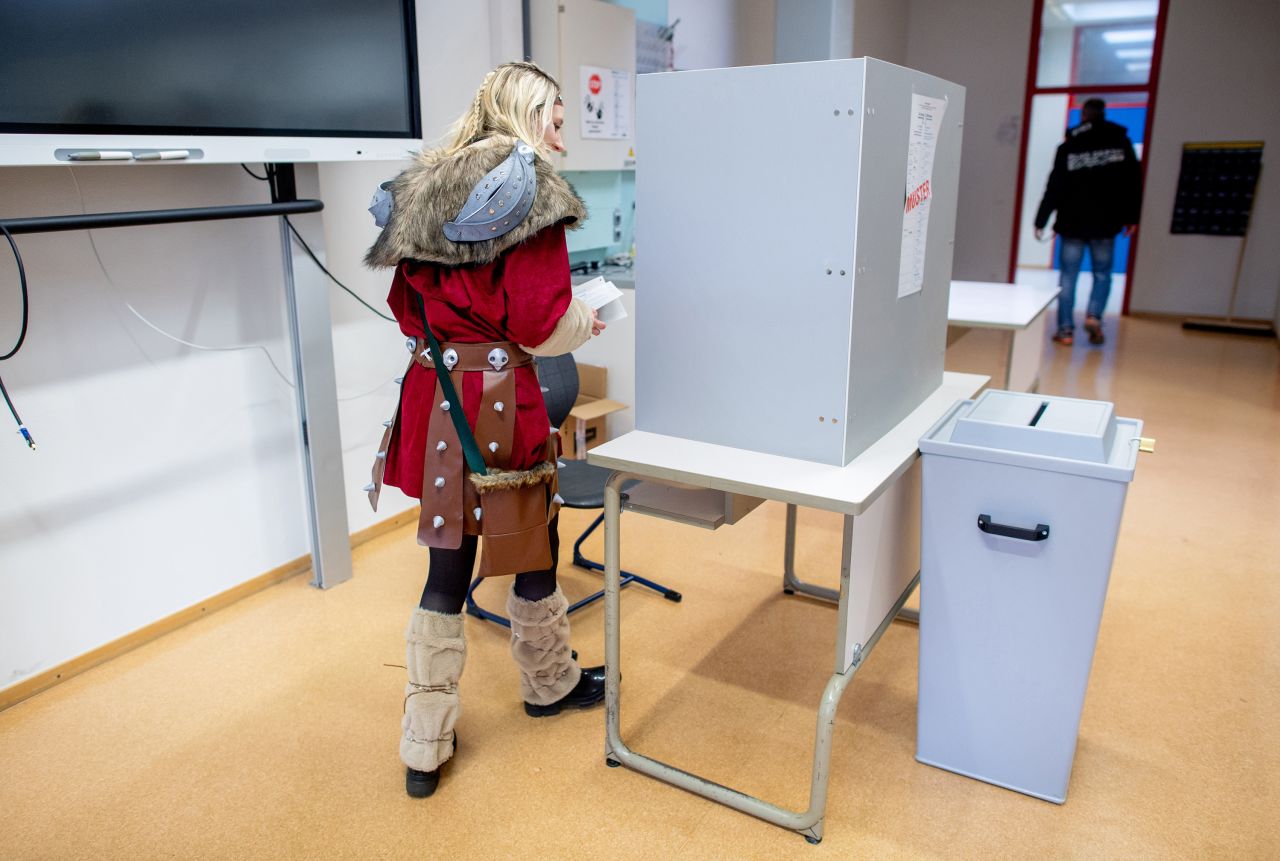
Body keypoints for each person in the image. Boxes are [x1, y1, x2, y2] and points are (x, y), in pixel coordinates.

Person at [363, 62, 607, 799]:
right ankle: (548, 684)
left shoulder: (424, 187)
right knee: (533, 543)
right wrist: (585, 323)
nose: (562, 135)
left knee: (448, 567)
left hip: (436, 398)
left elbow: (406, 306)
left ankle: (424, 744)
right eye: (558, 118)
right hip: (501, 399)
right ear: (529, 114)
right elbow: (540, 320)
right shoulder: (529, 190)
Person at [1033, 98, 1141, 346]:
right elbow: (1133, 184)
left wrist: (1041, 219)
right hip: (1106, 223)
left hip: (1072, 223)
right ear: (1103, 114)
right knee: (1102, 274)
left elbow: (1055, 186)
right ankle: (1094, 317)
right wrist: (1131, 218)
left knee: (1068, 276)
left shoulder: (1069, 146)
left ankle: (1065, 331)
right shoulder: (1120, 143)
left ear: (1083, 115)